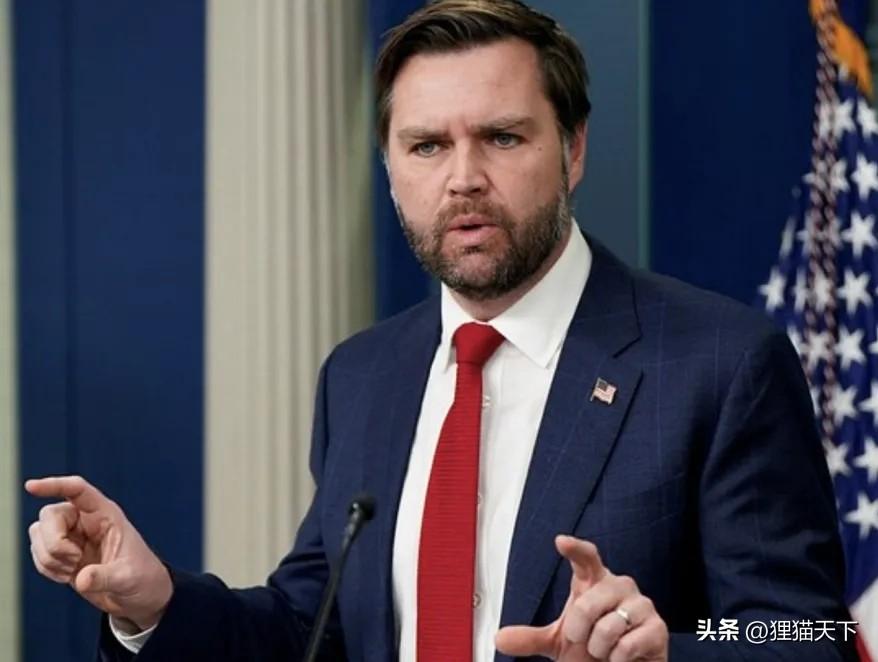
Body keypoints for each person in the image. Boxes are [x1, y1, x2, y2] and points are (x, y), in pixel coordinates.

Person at [25, 1, 856, 660]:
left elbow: (809, 635)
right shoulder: (362, 376)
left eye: (502, 137)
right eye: (426, 146)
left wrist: (665, 651)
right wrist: (156, 601)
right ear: (391, 170)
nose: (463, 179)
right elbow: (312, 628)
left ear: (572, 150)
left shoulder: (721, 362)